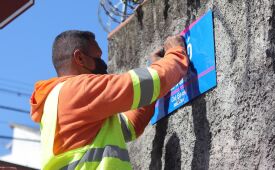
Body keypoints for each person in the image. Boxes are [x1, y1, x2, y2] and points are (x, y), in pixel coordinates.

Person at [30, 30, 189, 170]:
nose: (104, 64)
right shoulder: (78, 90)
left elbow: (129, 126)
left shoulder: (54, 104)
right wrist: (175, 53)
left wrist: (156, 66)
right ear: (80, 58)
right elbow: (144, 84)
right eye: (98, 57)